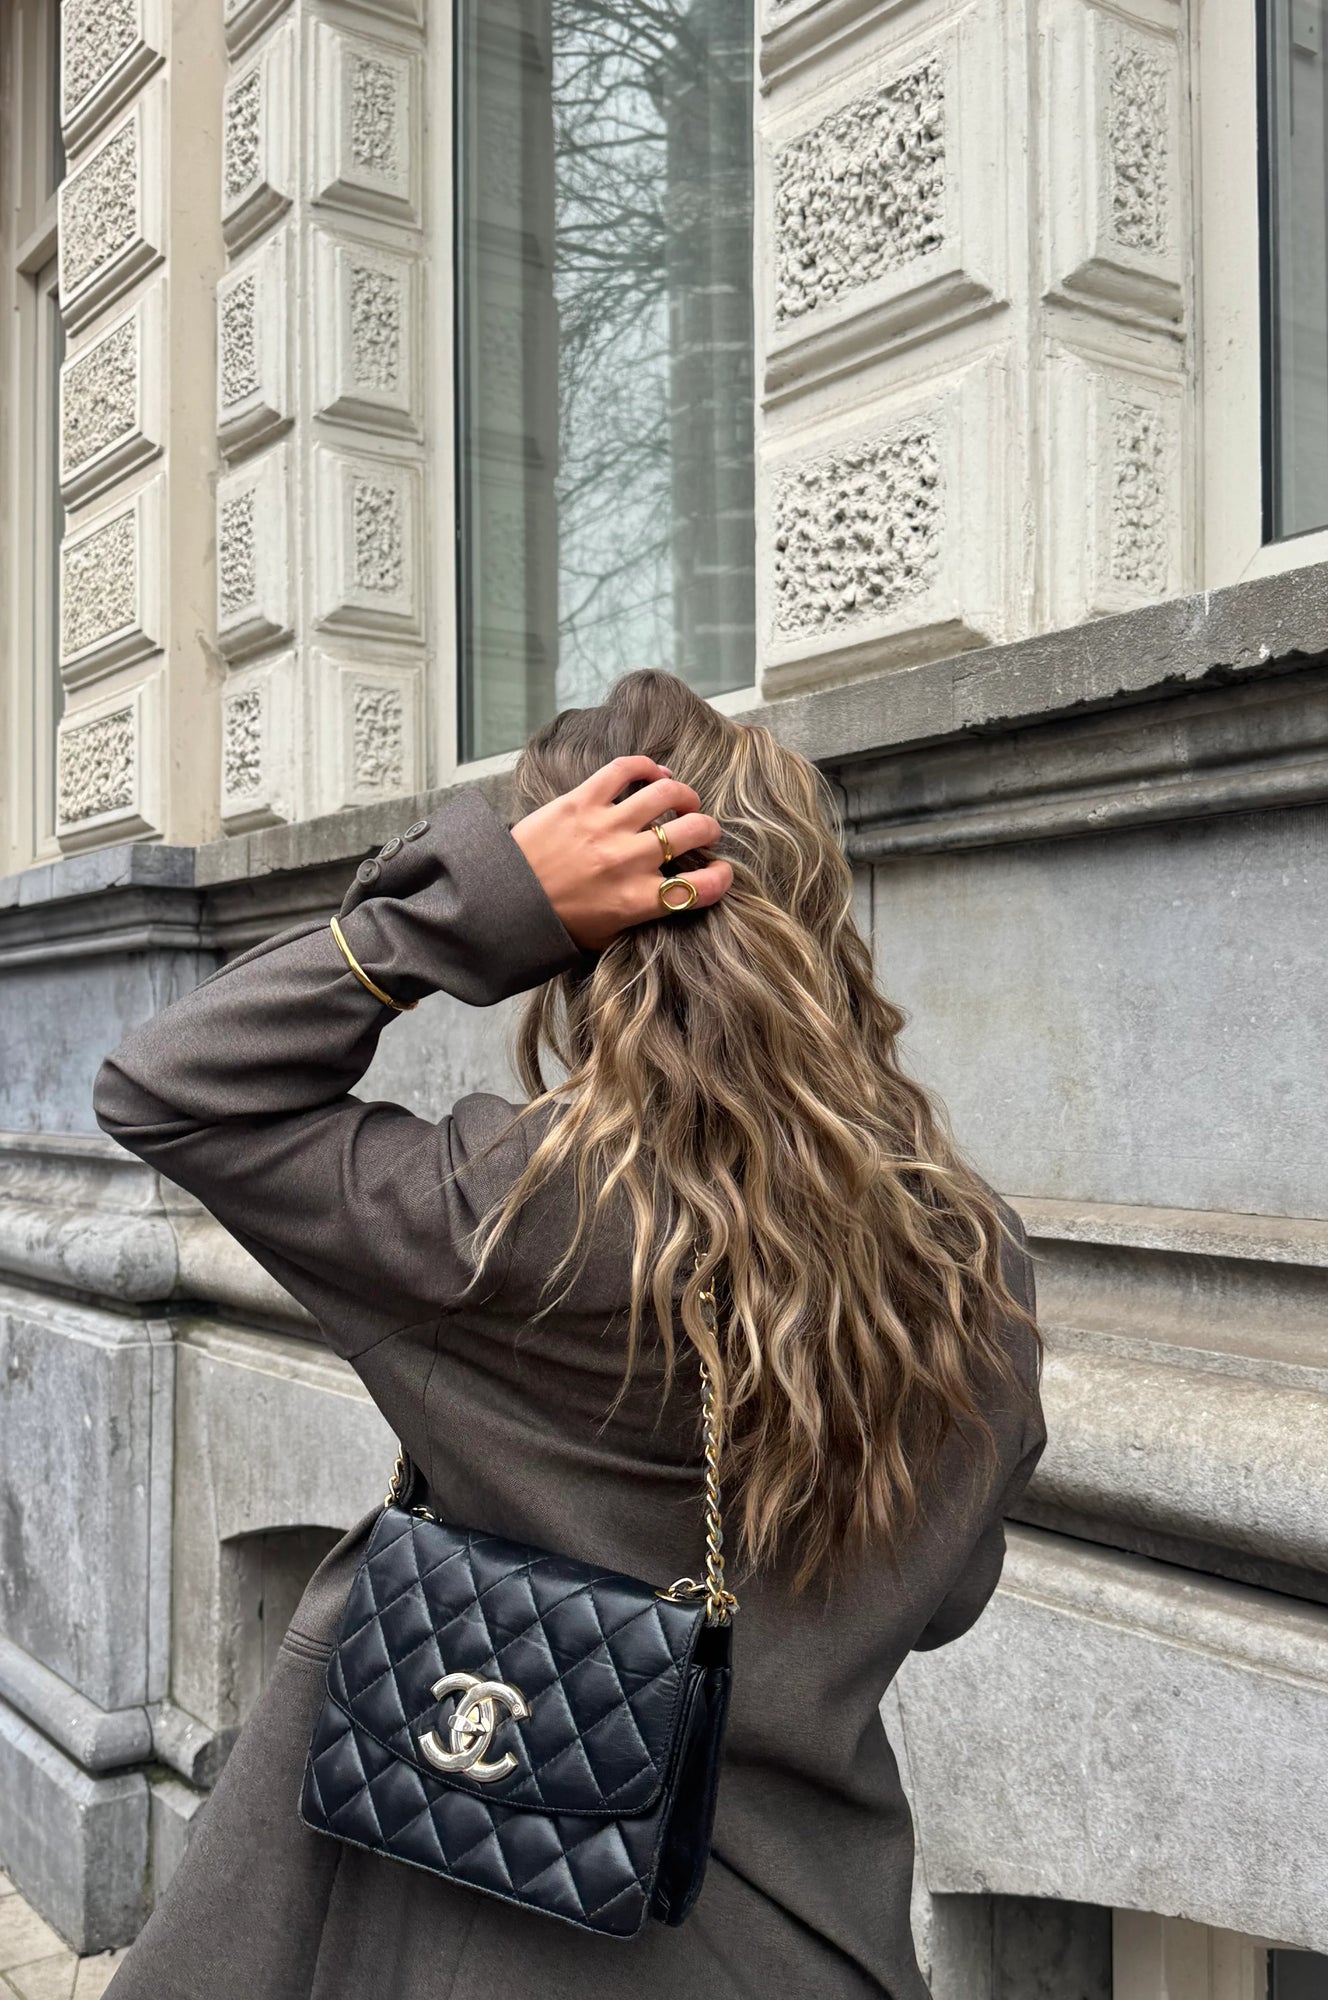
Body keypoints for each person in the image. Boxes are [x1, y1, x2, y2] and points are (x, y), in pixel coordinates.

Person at [93, 668, 1046, 2000]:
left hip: (483, 1907)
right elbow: (944, 1601)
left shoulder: (508, 1213)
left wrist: (470, 909)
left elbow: (169, 1087)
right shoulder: (970, 1255)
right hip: (804, 1938)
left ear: (577, 946)